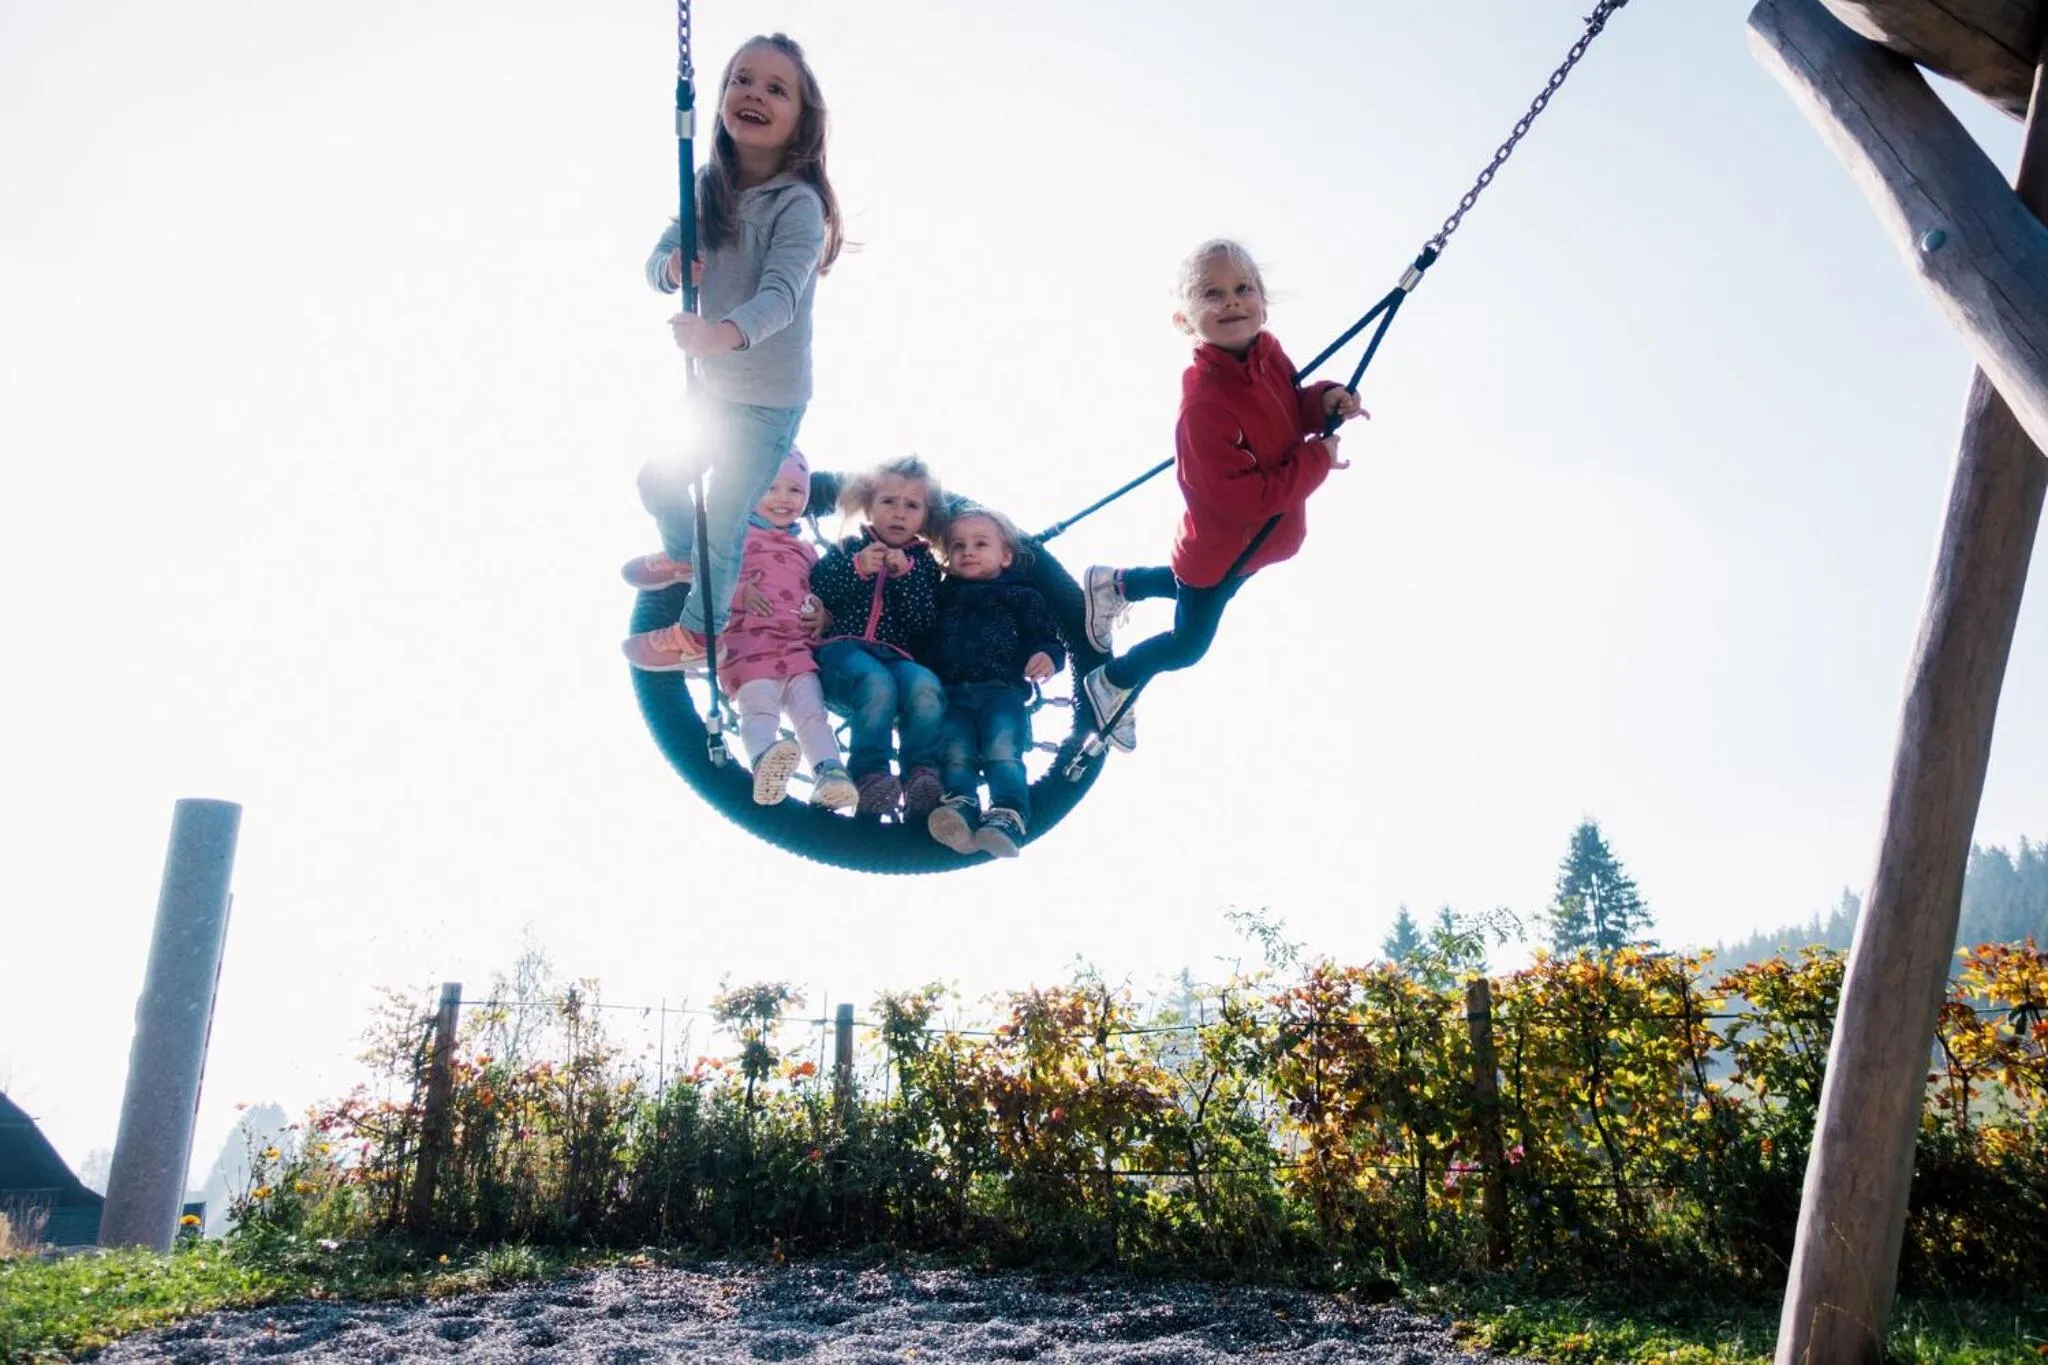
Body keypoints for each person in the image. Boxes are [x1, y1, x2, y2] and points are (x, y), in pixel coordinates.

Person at [1080, 238, 1364, 750]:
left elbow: (1286, 412)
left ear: (1263, 303)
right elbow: (1244, 500)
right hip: (1220, 550)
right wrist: (1317, 460)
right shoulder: (1205, 408)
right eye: (1211, 294)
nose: (1231, 301)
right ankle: (1113, 681)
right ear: (1185, 322)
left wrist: (1325, 402)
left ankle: (1114, 585)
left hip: (1252, 548)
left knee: (1205, 593)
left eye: (1242, 288)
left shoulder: (1268, 354)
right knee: (1188, 644)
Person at [621, 33, 846, 672]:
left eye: (777, 89)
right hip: (712, 388)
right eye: (742, 80)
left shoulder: (798, 206)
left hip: (767, 403)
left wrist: (721, 333)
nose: (754, 94)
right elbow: (653, 261)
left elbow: (781, 296)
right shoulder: (708, 183)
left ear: (801, 121)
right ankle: (684, 557)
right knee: (658, 482)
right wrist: (670, 267)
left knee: (725, 518)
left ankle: (700, 633)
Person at [713, 452, 859, 809]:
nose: (783, 499)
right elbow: (707, 580)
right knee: (759, 707)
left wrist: (823, 620)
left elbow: (817, 593)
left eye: (795, 490)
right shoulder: (734, 537)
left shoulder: (806, 550)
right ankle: (764, 759)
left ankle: (829, 774)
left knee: (812, 713)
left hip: (796, 649)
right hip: (750, 644)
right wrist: (739, 593)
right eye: (771, 488)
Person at [807, 456, 948, 818]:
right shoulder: (849, 547)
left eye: (911, 505)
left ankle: (922, 774)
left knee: (925, 685)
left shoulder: (926, 565)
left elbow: (925, 621)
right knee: (876, 681)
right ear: (870, 505)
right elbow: (819, 587)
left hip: (897, 656)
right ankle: (870, 774)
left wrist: (906, 577)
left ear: (925, 516)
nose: (899, 513)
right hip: (842, 655)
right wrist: (858, 569)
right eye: (888, 502)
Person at [920, 509, 1064, 858]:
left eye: (980, 544)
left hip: (1002, 691)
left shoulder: (1021, 595)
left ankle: (1008, 813)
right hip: (950, 693)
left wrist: (1048, 655)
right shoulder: (940, 596)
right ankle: (961, 807)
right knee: (954, 752)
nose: (968, 551)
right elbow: (920, 637)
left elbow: (1045, 636)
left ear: (1006, 556)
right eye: (958, 546)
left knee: (1003, 751)